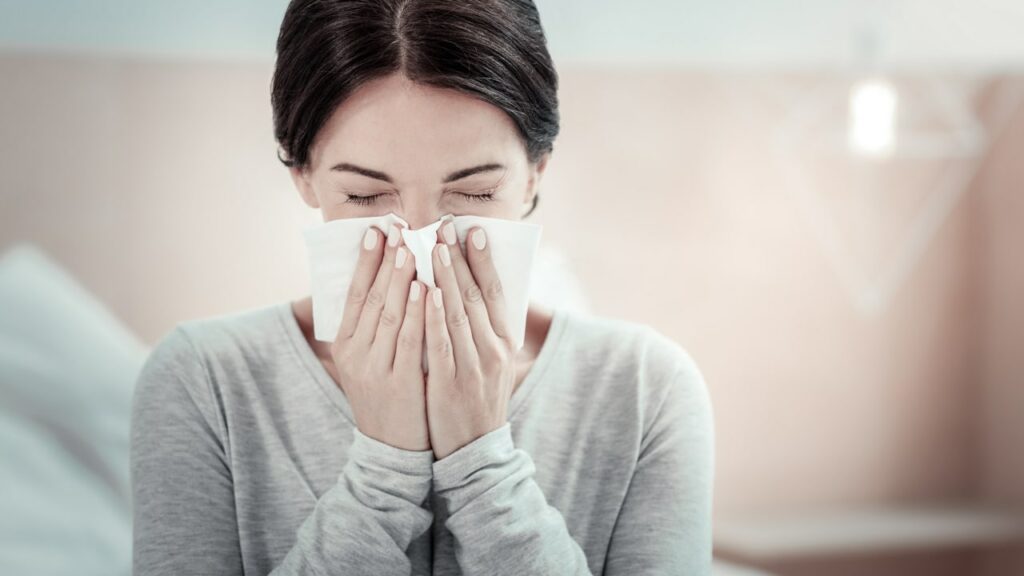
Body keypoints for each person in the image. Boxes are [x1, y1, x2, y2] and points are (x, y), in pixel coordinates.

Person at [130, 0, 714, 574]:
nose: (420, 239)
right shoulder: (203, 380)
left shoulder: (646, 389)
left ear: (536, 172)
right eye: (364, 196)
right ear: (304, 176)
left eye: (475, 193)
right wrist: (383, 472)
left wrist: (483, 465)